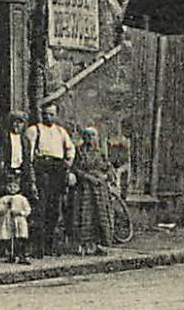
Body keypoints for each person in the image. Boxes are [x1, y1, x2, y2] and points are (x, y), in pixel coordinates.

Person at [26, 102, 77, 256]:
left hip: (57, 170)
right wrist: (32, 173)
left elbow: (70, 148)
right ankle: (38, 247)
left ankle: (50, 246)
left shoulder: (61, 131)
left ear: (56, 115)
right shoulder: (34, 130)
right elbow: (29, 153)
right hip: (42, 168)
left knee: (54, 209)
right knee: (40, 208)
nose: (48, 117)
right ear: (41, 114)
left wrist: (68, 161)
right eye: (46, 114)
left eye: (52, 114)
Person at [0, 111, 37, 256]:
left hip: (21, 175)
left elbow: (27, 161)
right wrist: (3, 174)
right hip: (7, 174)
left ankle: (20, 246)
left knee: (21, 208)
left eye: (21, 122)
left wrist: (30, 180)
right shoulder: (4, 137)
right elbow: (0, 157)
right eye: (15, 122)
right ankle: (3, 245)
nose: (17, 125)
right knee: (4, 209)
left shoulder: (24, 140)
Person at [68, 127, 117, 255]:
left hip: (100, 190)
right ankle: (84, 245)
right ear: (84, 137)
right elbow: (76, 169)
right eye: (88, 136)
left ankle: (97, 244)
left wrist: (106, 177)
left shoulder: (100, 152)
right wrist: (89, 178)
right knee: (85, 216)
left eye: (93, 136)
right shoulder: (79, 151)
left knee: (99, 216)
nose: (90, 139)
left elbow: (108, 167)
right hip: (85, 189)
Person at [0, 177, 33, 265]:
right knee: (8, 238)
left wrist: (20, 212)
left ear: (18, 188)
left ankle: (21, 256)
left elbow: (28, 210)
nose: (12, 189)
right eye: (10, 186)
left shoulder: (22, 198)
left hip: (19, 221)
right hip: (7, 221)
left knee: (20, 238)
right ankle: (11, 255)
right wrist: (4, 208)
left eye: (14, 186)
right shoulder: (4, 199)